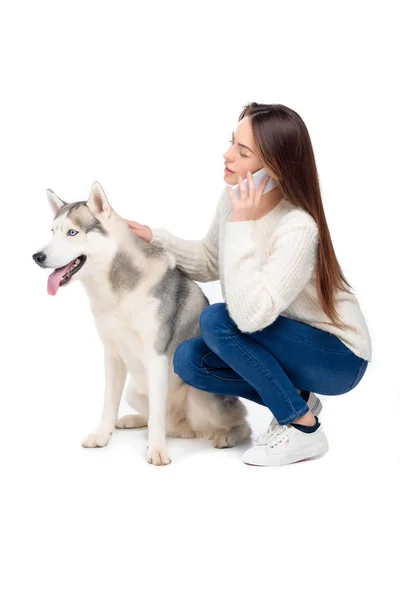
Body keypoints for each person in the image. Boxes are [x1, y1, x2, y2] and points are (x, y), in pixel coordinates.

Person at [125, 102, 372, 467]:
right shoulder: (233, 200)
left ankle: (303, 429)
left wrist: (241, 224)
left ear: (273, 166)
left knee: (215, 321)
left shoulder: (297, 227)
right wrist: (154, 238)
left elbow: (249, 318)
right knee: (189, 360)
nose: (227, 155)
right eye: (231, 143)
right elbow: (211, 260)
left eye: (242, 152)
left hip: (337, 357)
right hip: (284, 341)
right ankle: (297, 398)